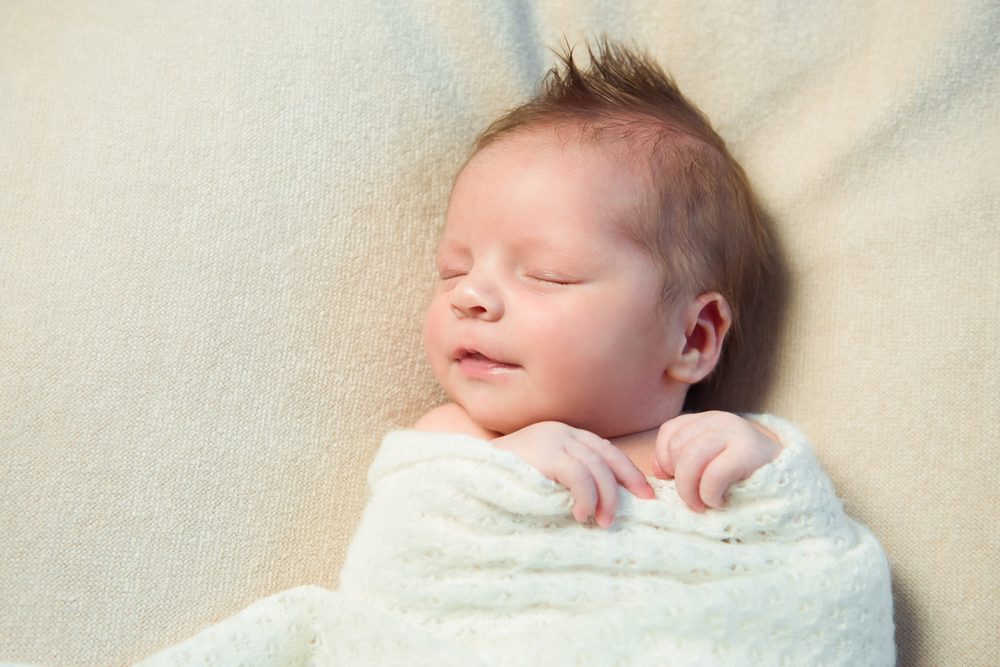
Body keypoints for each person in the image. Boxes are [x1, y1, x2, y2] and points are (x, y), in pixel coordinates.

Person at [415, 39, 782, 528]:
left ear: (693, 337)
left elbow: (812, 549)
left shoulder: (727, 449)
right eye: (453, 271)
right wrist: (507, 469)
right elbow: (402, 550)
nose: (468, 296)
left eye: (549, 275)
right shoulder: (453, 443)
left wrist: (762, 468)